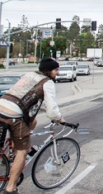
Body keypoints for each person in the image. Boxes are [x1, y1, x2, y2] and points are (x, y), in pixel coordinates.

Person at [0, 57, 66, 194]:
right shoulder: (47, 83)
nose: (57, 73)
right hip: (13, 115)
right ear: (49, 71)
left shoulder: (29, 75)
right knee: (23, 151)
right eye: (56, 70)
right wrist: (59, 119)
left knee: (33, 123)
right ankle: (10, 188)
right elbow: (52, 110)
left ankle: (7, 154)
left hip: (2, 107)